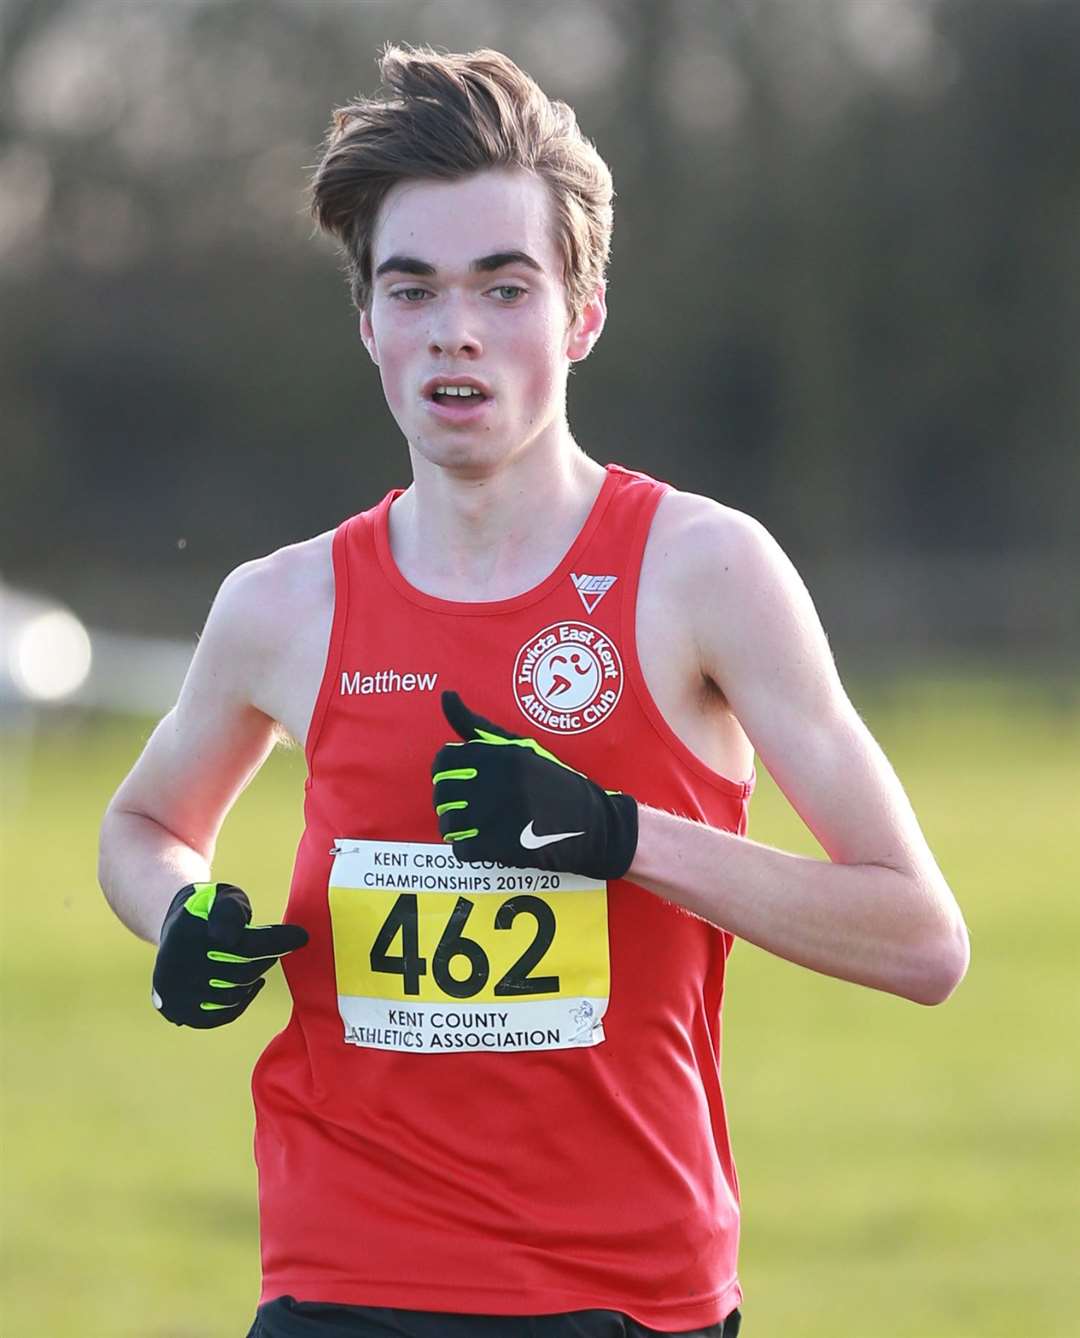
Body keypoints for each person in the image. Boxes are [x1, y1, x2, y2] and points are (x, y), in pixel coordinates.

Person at [98, 44, 969, 1338]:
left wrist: (614, 831)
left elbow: (920, 939)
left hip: (625, 1289)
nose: (456, 327)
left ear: (583, 314)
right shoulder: (280, 603)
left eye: (505, 287)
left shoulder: (703, 571)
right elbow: (144, 826)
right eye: (415, 287)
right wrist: (179, 916)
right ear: (371, 324)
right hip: (341, 1276)